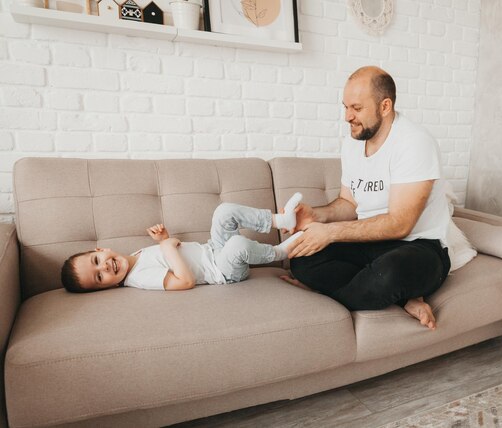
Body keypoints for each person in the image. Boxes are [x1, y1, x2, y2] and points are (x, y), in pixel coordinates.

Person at [285, 66, 451, 330]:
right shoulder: (353, 141)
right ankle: (398, 297)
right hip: (369, 243)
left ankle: (393, 293)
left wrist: (329, 233)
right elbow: (349, 204)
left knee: (390, 273)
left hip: (418, 247)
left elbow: (400, 224)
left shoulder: (414, 142)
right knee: (302, 259)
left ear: (385, 106)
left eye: (357, 108)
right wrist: (317, 216)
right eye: (345, 107)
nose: (347, 116)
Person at [61, 194, 303, 292]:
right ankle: (282, 252)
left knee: (224, 211)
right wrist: (167, 245)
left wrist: (165, 240)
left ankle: (281, 219)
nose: (104, 268)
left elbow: (173, 256)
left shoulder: (137, 255)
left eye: (96, 261)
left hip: (213, 248)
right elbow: (185, 281)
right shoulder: (138, 279)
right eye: (99, 277)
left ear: (101, 250)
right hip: (223, 271)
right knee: (238, 245)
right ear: (107, 287)